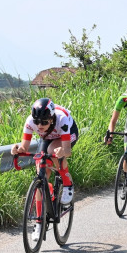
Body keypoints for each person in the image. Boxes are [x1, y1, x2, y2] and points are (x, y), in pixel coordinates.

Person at [11, 98, 79, 241]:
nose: (39, 125)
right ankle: (39, 223)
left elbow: (67, 150)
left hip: (66, 134)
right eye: (37, 122)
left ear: (52, 118)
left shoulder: (61, 119)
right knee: (40, 171)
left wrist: (62, 152)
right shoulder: (30, 121)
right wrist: (17, 149)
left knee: (53, 151)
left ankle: (67, 183)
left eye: (44, 122)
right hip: (48, 137)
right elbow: (24, 147)